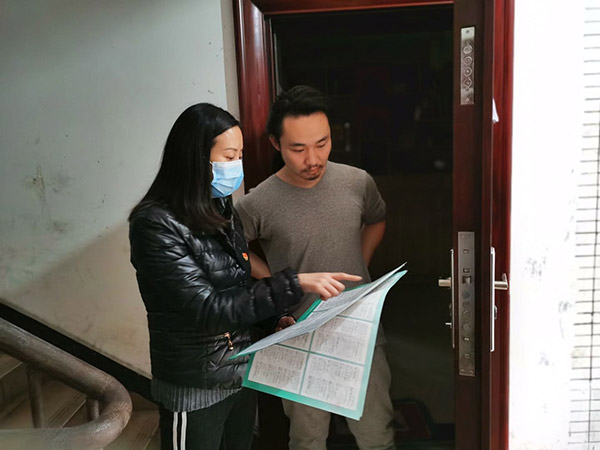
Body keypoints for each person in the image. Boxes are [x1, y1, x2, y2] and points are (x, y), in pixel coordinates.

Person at [128, 102, 360, 450]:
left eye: (239, 156)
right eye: (228, 157)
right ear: (194, 158)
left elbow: (238, 284)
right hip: (195, 384)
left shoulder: (222, 210)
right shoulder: (155, 224)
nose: (236, 166)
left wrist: (275, 318)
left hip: (240, 372)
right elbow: (206, 309)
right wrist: (292, 283)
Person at [236, 86, 396, 450]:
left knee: (377, 435)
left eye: (322, 144)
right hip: (299, 331)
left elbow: (377, 219)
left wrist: (359, 264)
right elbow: (232, 250)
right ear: (276, 144)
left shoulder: (356, 181)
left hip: (360, 327)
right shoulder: (258, 202)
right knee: (307, 440)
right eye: (298, 148)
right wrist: (277, 281)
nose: (313, 159)